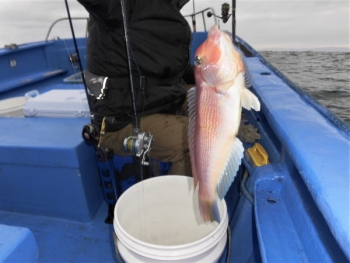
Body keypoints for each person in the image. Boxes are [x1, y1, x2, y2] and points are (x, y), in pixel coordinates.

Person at [77, 0, 193, 177]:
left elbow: (176, 68)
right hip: (123, 121)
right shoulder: (117, 7)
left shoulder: (167, 6)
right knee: (203, 142)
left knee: (216, 107)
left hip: (163, 100)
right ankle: (178, 202)